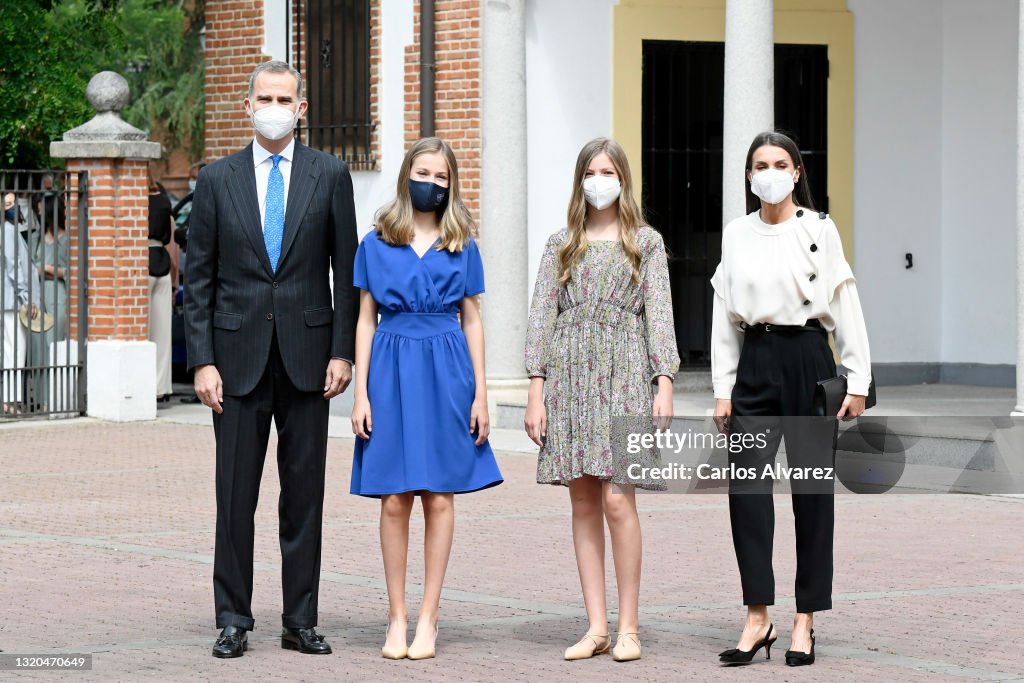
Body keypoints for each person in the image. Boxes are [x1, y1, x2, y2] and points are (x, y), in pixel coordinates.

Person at [184, 60, 359, 659]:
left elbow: (347, 271)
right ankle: (233, 617)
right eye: (265, 97)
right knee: (234, 495)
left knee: (303, 495)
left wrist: (341, 350)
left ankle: (300, 619)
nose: (275, 106)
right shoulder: (216, 180)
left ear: (301, 109)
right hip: (234, 362)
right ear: (248, 104)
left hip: (311, 359)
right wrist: (202, 361)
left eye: (285, 98)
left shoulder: (331, 174)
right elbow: (199, 279)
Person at [710, 131, 871, 667]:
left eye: (781, 163)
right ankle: (758, 617)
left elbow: (846, 302)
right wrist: (722, 388)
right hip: (755, 363)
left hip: (808, 360)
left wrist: (858, 379)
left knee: (812, 496)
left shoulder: (820, 230)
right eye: (760, 164)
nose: (770, 172)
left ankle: (804, 619)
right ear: (749, 175)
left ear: (797, 172)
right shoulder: (736, 234)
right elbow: (724, 318)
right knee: (747, 495)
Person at [524, 137, 679, 663]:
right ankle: (596, 626)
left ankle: (629, 623)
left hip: (627, 371)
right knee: (583, 498)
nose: (599, 180)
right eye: (591, 171)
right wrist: (535, 389)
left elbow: (659, 313)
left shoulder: (647, 243)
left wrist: (665, 381)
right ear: (579, 180)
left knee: (619, 497)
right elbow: (541, 315)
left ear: (623, 179)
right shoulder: (560, 244)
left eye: (608, 171)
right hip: (570, 374)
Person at [350, 137, 503, 661]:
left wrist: (482, 394)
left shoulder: (463, 243)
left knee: (439, 495)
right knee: (395, 497)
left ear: (451, 183)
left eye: (441, 177)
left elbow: (474, 320)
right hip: (391, 369)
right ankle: (395, 618)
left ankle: (428, 620)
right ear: (405, 174)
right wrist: (361, 395)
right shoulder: (374, 242)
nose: (432, 183)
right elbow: (365, 320)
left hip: (448, 369)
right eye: (423, 172)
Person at [27, 203, 70, 412]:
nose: (39, 210)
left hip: (57, 296)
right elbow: (28, 265)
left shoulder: (67, 239)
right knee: (38, 349)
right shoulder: (36, 237)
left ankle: (55, 399)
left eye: (43, 208)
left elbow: (73, 273)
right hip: (37, 295)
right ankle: (42, 399)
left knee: (53, 346)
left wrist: (49, 269)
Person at [2, 212, 40, 415]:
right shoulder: (8, 230)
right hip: (12, 301)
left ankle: (9, 399)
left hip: (8, 300)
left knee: (11, 350)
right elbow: (13, 267)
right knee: (16, 350)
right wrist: (26, 297)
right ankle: (11, 400)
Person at [148, 174, 174, 402]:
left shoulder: (136, 199)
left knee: (143, 330)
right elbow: (168, 237)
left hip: (142, 261)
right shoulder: (164, 201)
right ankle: (161, 386)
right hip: (162, 263)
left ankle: (145, 384)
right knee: (163, 331)